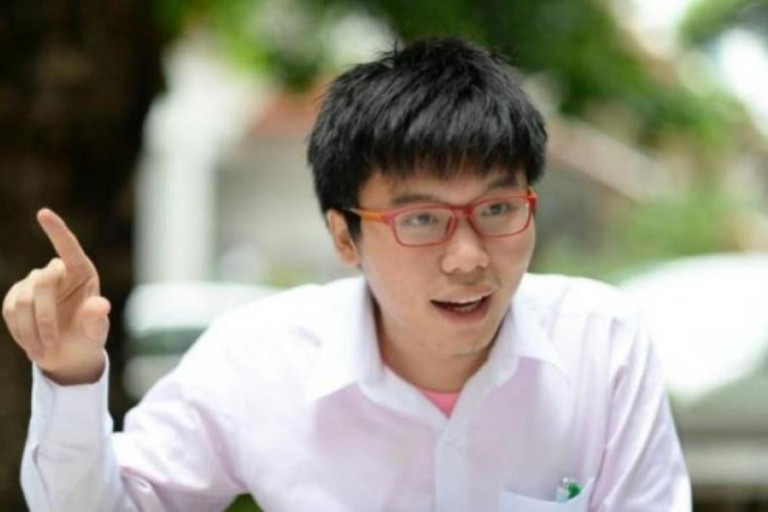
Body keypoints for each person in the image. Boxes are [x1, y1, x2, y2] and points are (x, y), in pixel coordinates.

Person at [3, 37, 691, 511]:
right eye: (422, 219)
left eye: (497, 209)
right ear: (344, 237)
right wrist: (71, 375)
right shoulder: (260, 358)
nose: (468, 256)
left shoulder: (600, 342)